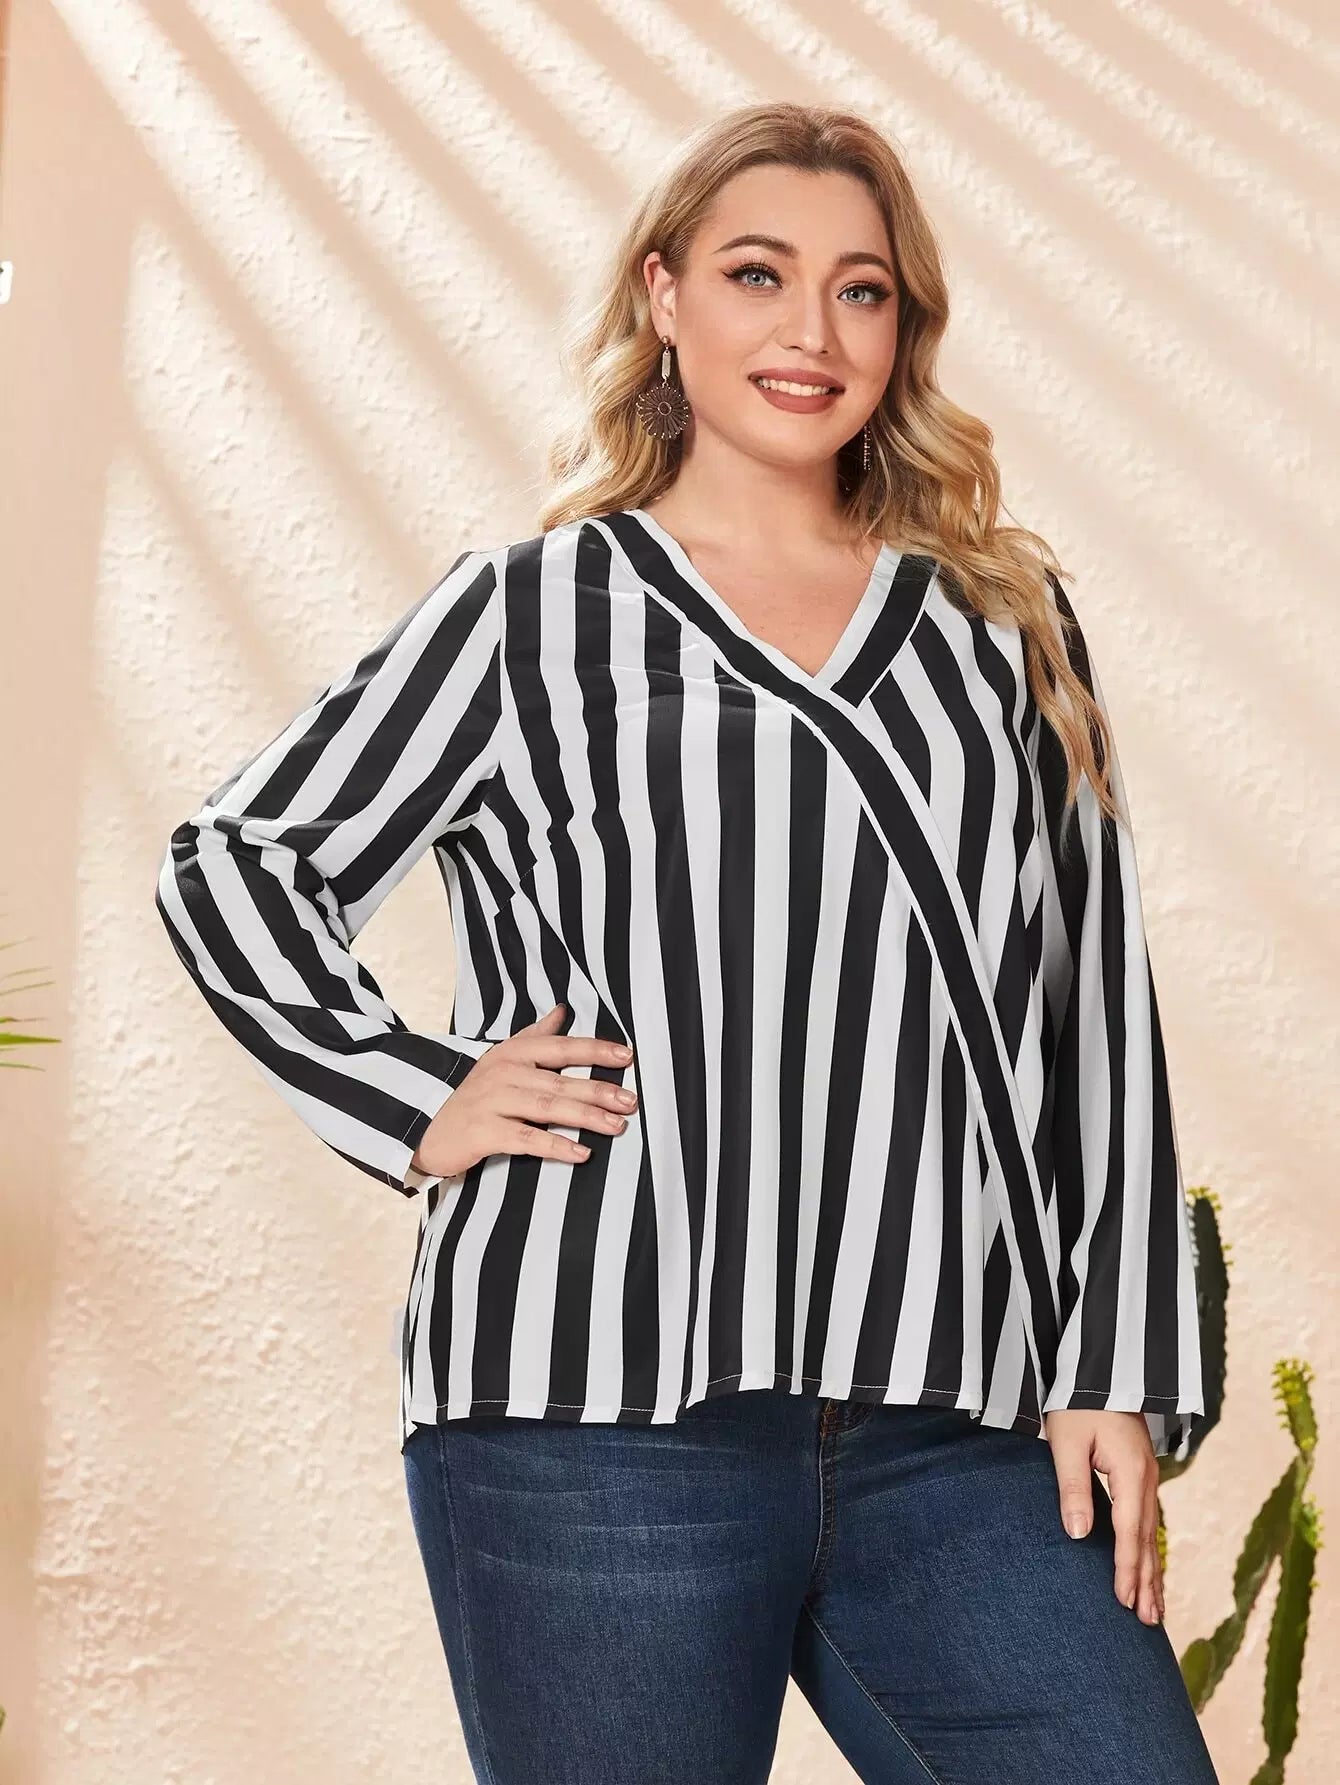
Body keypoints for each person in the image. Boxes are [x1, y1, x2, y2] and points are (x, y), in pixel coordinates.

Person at [155, 101, 1219, 1784]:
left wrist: (1118, 1366)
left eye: (861, 291)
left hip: (955, 1422)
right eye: (756, 274)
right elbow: (240, 859)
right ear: (664, 296)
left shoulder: (1001, 625)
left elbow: (1094, 1015)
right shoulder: (528, 614)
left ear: (904, 328)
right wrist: (419, 1091)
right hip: (589, 1417)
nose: (813, 333)